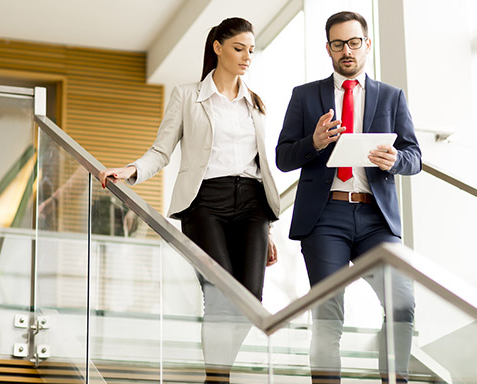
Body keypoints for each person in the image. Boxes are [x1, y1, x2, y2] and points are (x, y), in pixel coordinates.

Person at [99, 17, 280, 384]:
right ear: (218, 47)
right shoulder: (187, 95)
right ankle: (217, 379)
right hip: (204, 203)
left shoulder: (256, 103)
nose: (247, 56)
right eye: (238, 48)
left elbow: (259, 168)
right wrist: (131, 171)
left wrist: (270, 230)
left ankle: (217, 373)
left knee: (251, 299)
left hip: (252, 206)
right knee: (218, 292)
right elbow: (161, 151)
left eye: (251, 50)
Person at [276, 11, 421, 384]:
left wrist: (395, 160)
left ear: (367, 44)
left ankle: (395, 380)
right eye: (338, 44)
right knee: (327, 312)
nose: (347, 51)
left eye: (354, 42)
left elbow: (414, 158)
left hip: (377, 219)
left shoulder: (391, 96)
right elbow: (283, 156)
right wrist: (315, 142)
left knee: (402, 303)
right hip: (325, 217)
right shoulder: (305, 96)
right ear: (328, 48)